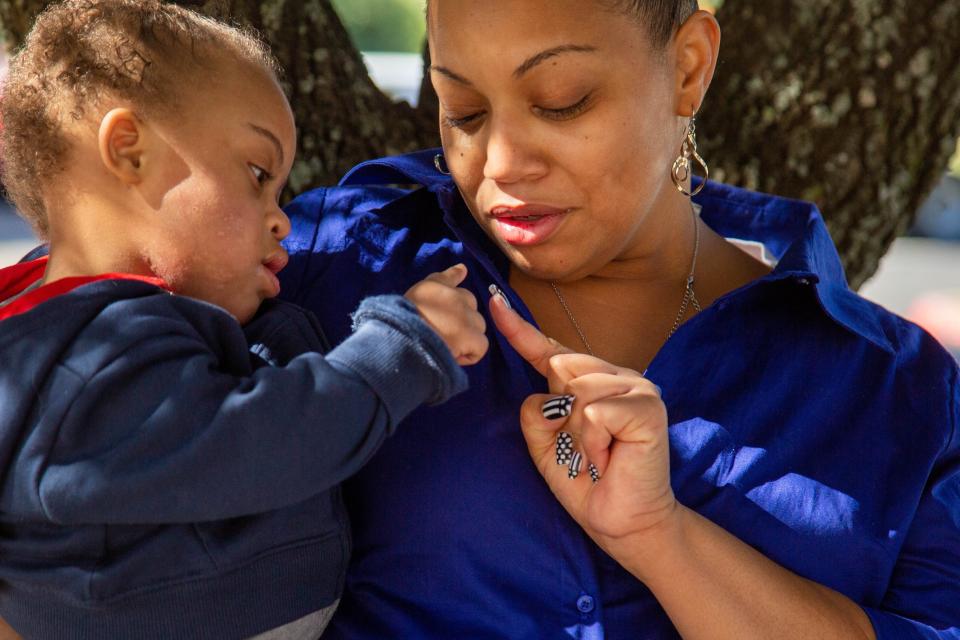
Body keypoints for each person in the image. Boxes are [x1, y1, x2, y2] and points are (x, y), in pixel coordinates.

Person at [279, 0, 960, 638]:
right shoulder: (332, 264)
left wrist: (661, 537)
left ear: (688, 68)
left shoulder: (904, 392)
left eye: (561, 102)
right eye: (464, 111)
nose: (502, 163)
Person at [0, 1, 487, 638]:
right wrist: (402, 346)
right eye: (258, 174)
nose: (280, 216)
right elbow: (263, 444)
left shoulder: (63, 322)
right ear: (129, 150)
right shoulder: (90, 357)